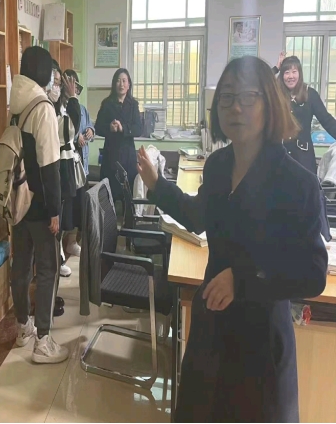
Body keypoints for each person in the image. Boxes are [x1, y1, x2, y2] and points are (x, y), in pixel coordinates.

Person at [137, 56, 328, 422]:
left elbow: (312, 273)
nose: (235, 107)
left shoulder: (297, 182)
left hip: (261, 344)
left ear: (270, 103)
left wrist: (242, 280)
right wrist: (158, 186)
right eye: (226, 97)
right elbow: (199, 216)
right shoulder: (218, 165)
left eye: (248, 96)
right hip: (212, 330)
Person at [9, 46, 69, 364]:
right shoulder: (42, 107)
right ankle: (43, 340)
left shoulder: (16, 104)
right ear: (44, 73)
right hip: (41, 203)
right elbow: (50, 165)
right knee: (47, 268)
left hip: (18, 200)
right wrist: (55, 210)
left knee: (21, 265)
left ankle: (24, 327)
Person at [277, 55, 336, 175]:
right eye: (286, 72)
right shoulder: (276, 95)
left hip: (304, 158)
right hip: (281, 157)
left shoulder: (310, 94)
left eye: (294, 72)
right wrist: (275, 69)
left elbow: (327, 120)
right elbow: (259, 85)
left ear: (300, 74)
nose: (291, 76)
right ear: (282, 75)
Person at [50, 61, 80, 278]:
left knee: (65, 213)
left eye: (60, 83)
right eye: (56, 82)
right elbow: (68, 130)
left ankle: (61, 253)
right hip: (56, 164)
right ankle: (57, 258)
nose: (58, 87)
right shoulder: (47, 107)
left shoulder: (60, 104)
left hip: (66, 163)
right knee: (56, 219)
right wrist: (73, 98)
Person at [95, 68, 143, 201]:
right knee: (108, 195)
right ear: (114, 84)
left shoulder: (133, 105)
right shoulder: (107, 103)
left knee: (128, 195)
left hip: (128, 156)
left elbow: (139, 129)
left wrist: (124, 129)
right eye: (118, 81)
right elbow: (97, 128)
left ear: (128, 84)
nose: (121, 84)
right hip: (111, 155)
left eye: (124, 81)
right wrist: (109, 128)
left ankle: (127, 215)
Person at [64, 69, 95, 256]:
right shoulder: (63, 107)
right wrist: (77, 138)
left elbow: (90, 125)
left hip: (82, 167)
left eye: (77, 86)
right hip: (70, 167)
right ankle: (66, 243)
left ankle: (74, 241)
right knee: (69, 208)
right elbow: (66, 132)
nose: (74, 89)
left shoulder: (82, 109)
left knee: (80, 207)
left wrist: (90, 131)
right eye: (72, 84)